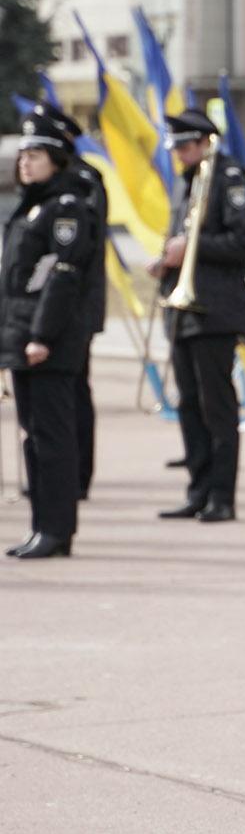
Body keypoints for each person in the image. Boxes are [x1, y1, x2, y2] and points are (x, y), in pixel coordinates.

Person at [150, 110, 245, 524]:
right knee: (190, 405)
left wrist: (193, 249)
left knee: (217, 408)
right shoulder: (187, 181)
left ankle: (222, 496)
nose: (178, 153)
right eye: (175, 146)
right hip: (183, 311)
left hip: (214, 309)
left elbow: (243, 241)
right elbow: (181, 239)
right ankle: (197, 490)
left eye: (184, 145)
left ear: (204, 142)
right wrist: (166, 262)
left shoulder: (229, 180)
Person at [2, 109, 98, 559]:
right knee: (34, 437)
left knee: (53, 439)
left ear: (57, 159)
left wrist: (40, 336)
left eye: (35, 154)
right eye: (23, 155)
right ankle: (43, 525)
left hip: (50, 343)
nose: (25, 162)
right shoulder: (33, 205)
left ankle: (57, 530)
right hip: (24, 337)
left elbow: (62, 279)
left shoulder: (67, 207)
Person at [32, 103, 106, 500]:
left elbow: (77, 254)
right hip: (54, 304)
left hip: (75, 304)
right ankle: (58, 474)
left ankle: (76, 475)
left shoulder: (81, 182)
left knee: (73, 392)